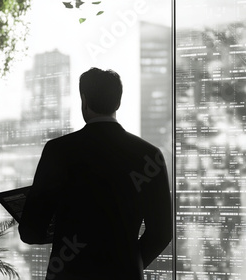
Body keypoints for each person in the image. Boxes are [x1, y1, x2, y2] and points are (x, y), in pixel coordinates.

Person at [18, 67, 172, 280]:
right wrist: (128, 265)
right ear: (118, 102)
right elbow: (162, 233)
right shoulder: (150, 156)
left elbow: (30, 232)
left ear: (84, 100)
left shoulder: (59, 151)